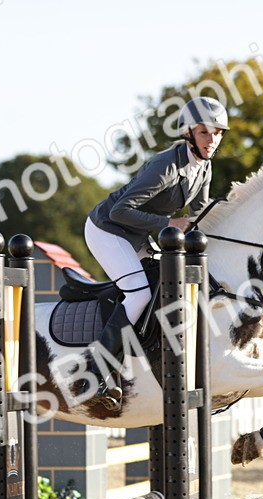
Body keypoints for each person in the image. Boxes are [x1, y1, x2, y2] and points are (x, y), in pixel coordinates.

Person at [85, 96, 228, 406]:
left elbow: (201, 214)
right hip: (107, 229)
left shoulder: (204, 167)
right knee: (138, 294)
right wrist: (169, 221)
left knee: (161, 288)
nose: (212, 140)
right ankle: (98, 369)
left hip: (136, 235)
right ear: (188, 132)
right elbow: (121, 211)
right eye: (205, 132)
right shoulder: (165, 165)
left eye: (217, 133)